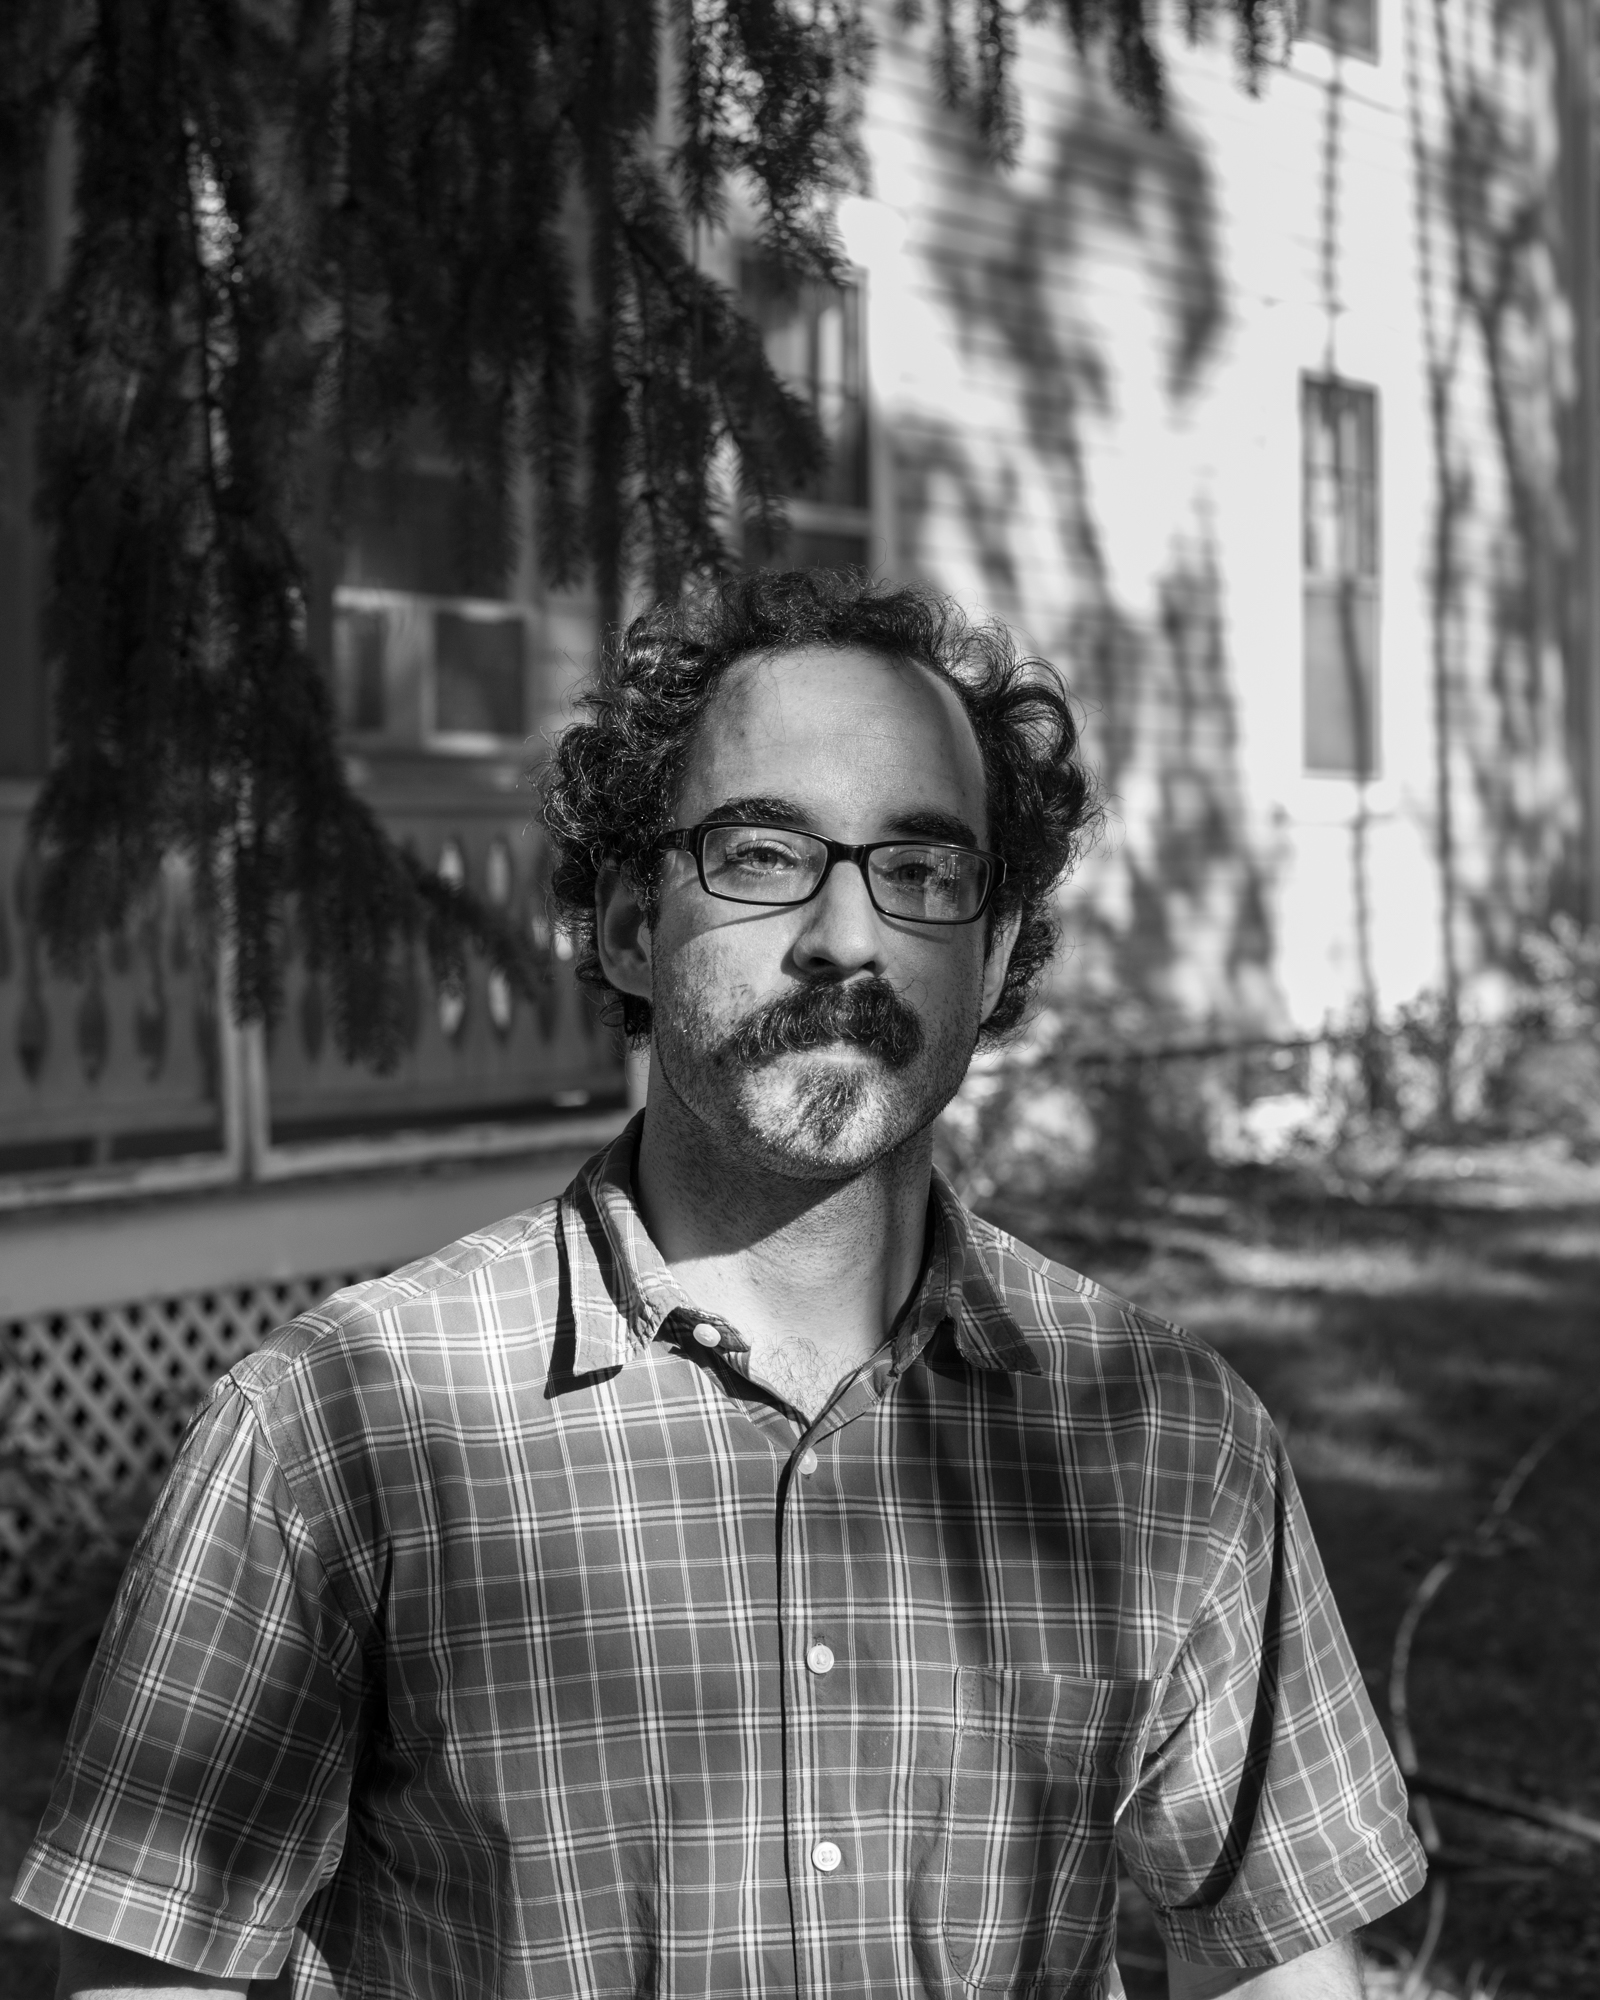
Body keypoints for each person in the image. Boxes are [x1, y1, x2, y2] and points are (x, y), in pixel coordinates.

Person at [17, 569, 1425, 2000]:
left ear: (993, 956)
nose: (845, 936)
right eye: (763, 853)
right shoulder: (332, 1435)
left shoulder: (1172, 1444)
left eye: (924, 872)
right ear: (631, 923)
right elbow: (155, 1978)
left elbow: (1279, 1965)